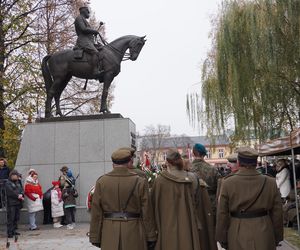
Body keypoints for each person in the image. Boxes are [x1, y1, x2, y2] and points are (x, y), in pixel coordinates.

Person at [216, 146, 283, 250]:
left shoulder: (228, 182)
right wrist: (277, 236)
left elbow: (222, 214)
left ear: (238, 163)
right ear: (256, 163)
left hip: (237, 231)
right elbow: (277, 212)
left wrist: (222, 238)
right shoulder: (270, 182)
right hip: (264, 231)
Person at [89, 148, 157, 250]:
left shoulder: (102, 182)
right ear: (129, 163)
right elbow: (147, 211)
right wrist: (151, 235)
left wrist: (95, 236)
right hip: (134, 230)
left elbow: (96, 212)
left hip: (109, 231)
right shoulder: (140, 181)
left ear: (113, 164)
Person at [152, 148, 217, 250]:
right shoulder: (193, 178)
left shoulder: (159, 181)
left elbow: (154, 204)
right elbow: (199, 203)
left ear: (168, 162)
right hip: (189, 225)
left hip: (166, 227)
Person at [190, 143, 221, 220]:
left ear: (193, 153)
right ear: (204, 154)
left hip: (193, 205)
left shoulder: (187, 169)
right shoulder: (212, 169)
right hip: (210, 205)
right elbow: (220, 187)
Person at [74, 6, 104, 77]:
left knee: (101, 49)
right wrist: (94, 31)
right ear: (83, 11)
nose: (89, 13)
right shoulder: (79, 18)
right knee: (95, 52)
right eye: (87, 11)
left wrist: (93, 33)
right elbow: (83, 29)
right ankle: (95, 71)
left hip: (89, 41)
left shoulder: (84, 20)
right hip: (83, 41)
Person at [5, 170, 24, 238]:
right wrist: (18, 196)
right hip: (11, 204)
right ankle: (9, 232)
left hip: (17, 203)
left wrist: (21, 194)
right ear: (12, 175)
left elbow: (21, 190)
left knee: (16, 218)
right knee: (11, 218)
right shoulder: (8, 183)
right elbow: (10, 192)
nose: (18, 177)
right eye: (17, 175)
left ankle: (14, 230)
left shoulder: (18, 182)